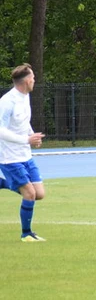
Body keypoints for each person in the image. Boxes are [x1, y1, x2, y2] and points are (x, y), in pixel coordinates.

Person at [0, 64, 46, 241]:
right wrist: (26, 140)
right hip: (9, 157)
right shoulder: (7, 102)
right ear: (27, 81)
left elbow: (24, 122)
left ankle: (4, 183)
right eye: (33, 78)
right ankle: (26, 233)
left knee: (39, 194)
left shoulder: (25, 96)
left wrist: (31, 135)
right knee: (29, 194)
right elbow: (1, 130)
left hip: (25, 155)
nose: (34, 81)